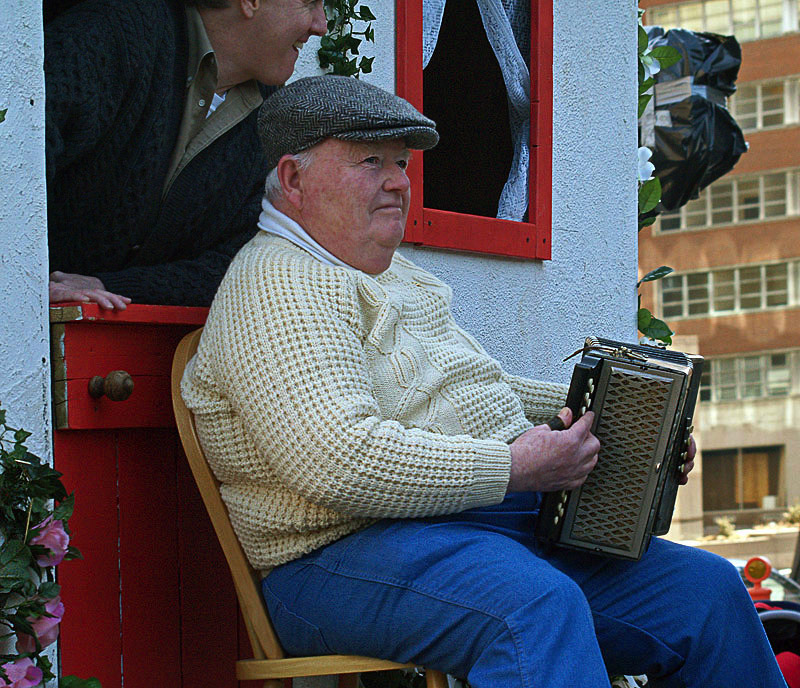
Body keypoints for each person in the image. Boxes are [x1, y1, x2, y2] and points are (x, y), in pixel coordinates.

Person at [181, 75, 787, 687]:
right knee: (533, 609)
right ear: (292, 179)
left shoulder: (399, 278)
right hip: (335, 560)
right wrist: (515, 467)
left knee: (705, 593)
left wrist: (629, 420)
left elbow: (484, 390)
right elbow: (338, 461)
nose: (397, 181)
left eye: (400, 162)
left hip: (471, 526)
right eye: (370, 162)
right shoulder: (277, 283)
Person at [44, 0, 326, 308]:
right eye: (310, 3)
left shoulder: (274, 119)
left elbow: (249, 265)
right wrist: (31, 283)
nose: (321, 25)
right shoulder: (108, 37)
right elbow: (14, 171)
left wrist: (111, 287)